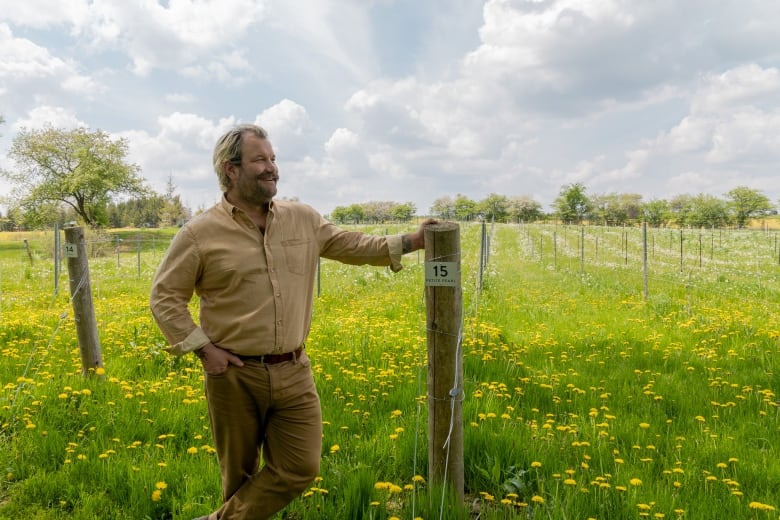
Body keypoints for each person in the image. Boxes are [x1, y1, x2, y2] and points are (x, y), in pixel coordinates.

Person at [149, 123, 435, 520]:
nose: (272, 168)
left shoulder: (302, 218)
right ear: (231, 170)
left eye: (273, 158)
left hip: (294, 370)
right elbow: (164, 297)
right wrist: (203, 349)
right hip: (234, 373)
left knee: (302, 467)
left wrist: (411, 241)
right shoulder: (199, 233)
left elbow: (352, 244)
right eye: (260, 160)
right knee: (240, 476)